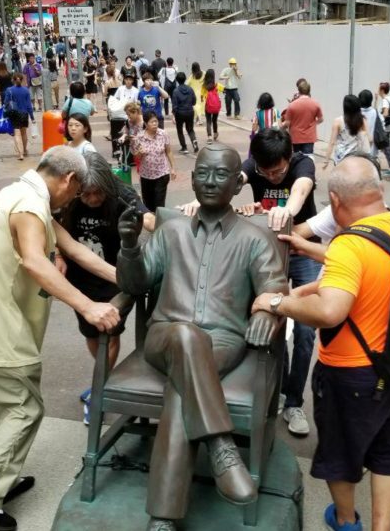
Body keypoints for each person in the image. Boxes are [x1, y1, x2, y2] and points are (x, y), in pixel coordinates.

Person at [0, 146, 121, 531]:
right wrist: (89, 306)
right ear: (70, 180)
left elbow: (74, 250)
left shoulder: (16, 194)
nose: (73, 200)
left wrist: (124, 280)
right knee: (24, 409)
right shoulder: (29, 206)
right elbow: (34, 260)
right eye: (75, 193)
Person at [252, 153, 390, 531]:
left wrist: (278, 301)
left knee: (341, 454)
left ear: (334, 201)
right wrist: (306, 279)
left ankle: (347, 521)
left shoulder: (351, 242)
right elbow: (363, 276)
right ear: (379, 190)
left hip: (356, 377)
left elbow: (331, 310)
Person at [116, 144, 288, 531]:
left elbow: (275, 289)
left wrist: (264, 311)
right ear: (192, 179)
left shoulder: (255, 239)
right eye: (203, 174)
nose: (210, 182)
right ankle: (220, 445)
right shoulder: (170, 231)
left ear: (236, 182)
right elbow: (135, 282)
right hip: (165, 337)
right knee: (184, 337)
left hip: (224, 345)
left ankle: (163, 519)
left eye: (221, 174)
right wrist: (128, 247)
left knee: (183, 386)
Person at [179, 128, 320, 437]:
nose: (271, 177)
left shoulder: (301, 164)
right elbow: (226, 184)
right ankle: (277, 390)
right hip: (269, 252)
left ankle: (294, 401)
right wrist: (196, 202)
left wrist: (287, 211)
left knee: (306, 330)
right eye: (265, 172)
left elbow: (300, 189)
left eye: (278, 170)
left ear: (288, 158)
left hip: (302, 250)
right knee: (271, 319)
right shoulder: (250, 168)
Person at [59, 152, 155, 425]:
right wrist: (57, 256)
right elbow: (50, 226)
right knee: (91, 331)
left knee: (109, 334)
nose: (91, 200)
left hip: (115, 278)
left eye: (96, 194)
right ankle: (104, 377)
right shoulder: (68, 195)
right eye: (84, 194)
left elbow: (147, 219)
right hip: (80, 280)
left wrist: (173, 228)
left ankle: (99, 389)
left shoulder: (121, 193)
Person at [132, 112, 176, 212]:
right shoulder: (139, 137)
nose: (155, 124)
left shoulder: (163, 134)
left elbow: (168, 151)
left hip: (162, 174)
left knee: (159, 204)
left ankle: (159, 224)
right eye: (152, 122)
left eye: (156, 121)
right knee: (148, 204)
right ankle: (152, 222)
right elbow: (136, 158)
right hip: (146, 176)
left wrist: (173, 168)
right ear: (146, 124)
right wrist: (139, 153)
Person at [323, 94, 370, 170]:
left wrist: (326, 161)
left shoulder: (338, 121)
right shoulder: (362, 120)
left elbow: (332, 143)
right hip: (355, 156)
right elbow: (369, 139)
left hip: (340, 158)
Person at [282, 79, 323, 155]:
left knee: (296, 159)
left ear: (299, 90)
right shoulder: (316, 104)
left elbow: (287, 123)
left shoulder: (292, 105)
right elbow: (321, 119)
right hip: (309, 137)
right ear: (309, 91)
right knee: (307, 159)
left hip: (295, 137)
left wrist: (280, 128)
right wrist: (313, 124)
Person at [3, 73, 35, 161]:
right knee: (24, 133)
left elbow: (6, 102)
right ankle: (24, 150)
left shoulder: (9, 90)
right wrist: (32, 117)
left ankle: (20, 154)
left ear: (13, 80)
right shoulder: (26, 90)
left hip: (15, 114)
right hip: (24, 113)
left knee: (17, 134)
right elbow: (29, 105)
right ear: (22, 80)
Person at [170, 71, 198, 155]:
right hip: (190, 111)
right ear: (185, 79)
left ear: (177, 80)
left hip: (180, 113)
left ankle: (184, 147)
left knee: (180, 130)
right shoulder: (190, 89)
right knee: (190, 129)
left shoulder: (175, 91)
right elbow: (194, 102)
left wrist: (173, 115)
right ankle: (194, 142)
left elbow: (174, 105)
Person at [376, 82, 390, 175]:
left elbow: (385, 114)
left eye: (378, 89)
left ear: (382, 90)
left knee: (384, 148)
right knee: (385, 148)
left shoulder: (385, 100)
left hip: (384, 129)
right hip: (388, 128)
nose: (377, 91)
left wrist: (380, 119)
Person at [202, 69, 223, 144]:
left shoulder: (204, 86)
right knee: (214, 120)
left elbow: (202, 96)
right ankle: (215, 133)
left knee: (208, 121)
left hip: (208, 106)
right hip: (215, 106)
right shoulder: (217, 85)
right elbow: (224, 90)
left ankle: (209, 137)